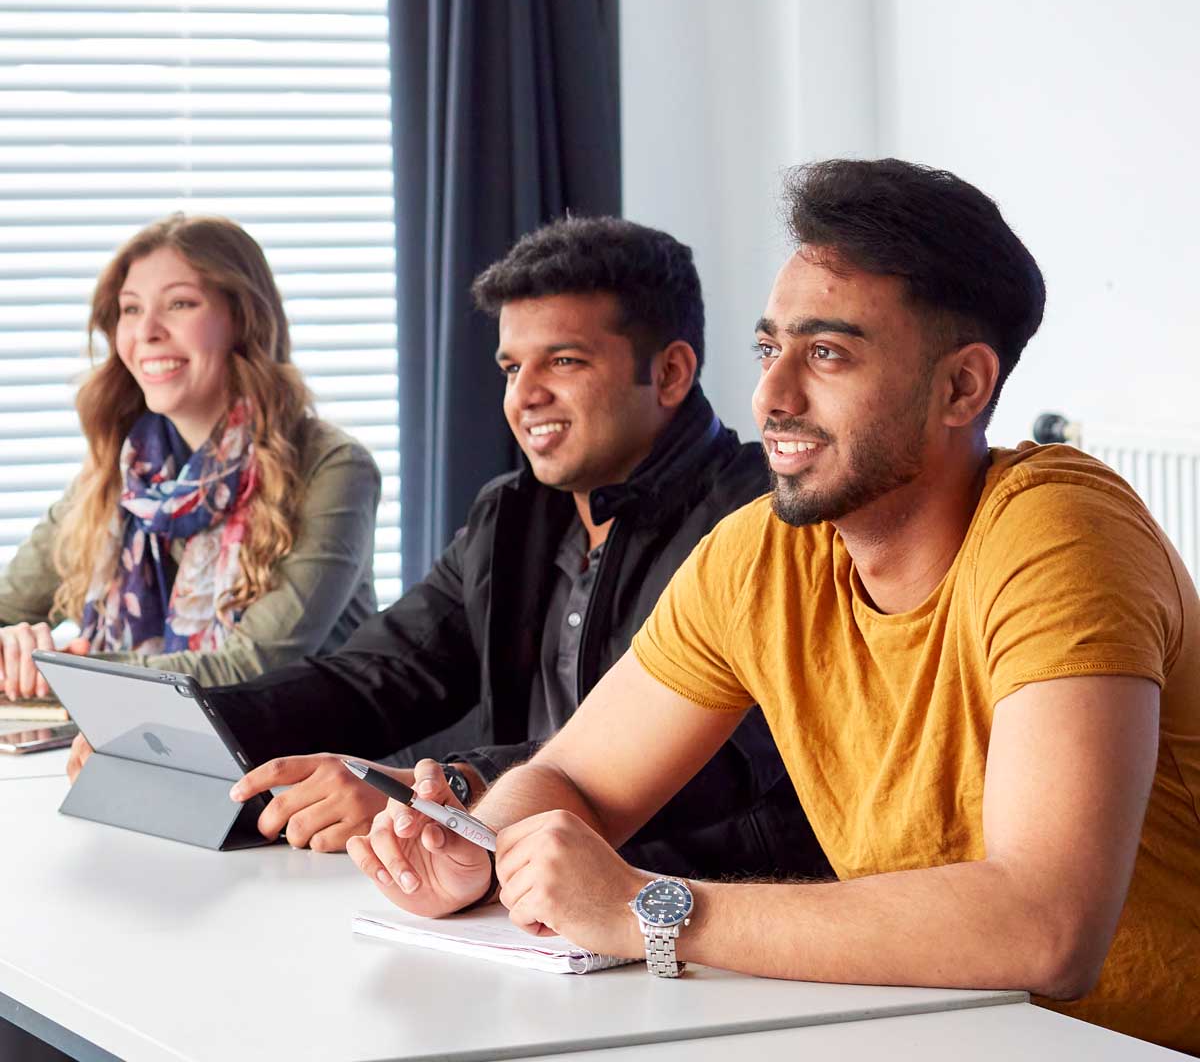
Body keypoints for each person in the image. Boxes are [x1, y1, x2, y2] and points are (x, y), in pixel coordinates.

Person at [346, 161, 1199, 1055]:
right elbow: (576, 784)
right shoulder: (763, 551)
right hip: (934, 1034)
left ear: (962, 387)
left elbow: (1048, 929)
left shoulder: (1060, 534)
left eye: (826, 354)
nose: (772, 396)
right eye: (769, 350)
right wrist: (476, 851)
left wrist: (654, 910)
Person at [202, 216, 828, 881]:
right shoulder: (512, 515)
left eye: (564, 361)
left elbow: (728, 758)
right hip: (521, 901)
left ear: (670, 373)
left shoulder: (772, 519)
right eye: (511, 367)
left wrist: (458, 795)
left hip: (708, 910)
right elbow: (378, 678)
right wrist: (193, 729)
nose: (525, 396)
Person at [0, 213, 380, 699]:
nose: (148, 331)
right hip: (148, 753)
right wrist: (13, 649)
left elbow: (257, 663)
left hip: (308, 760)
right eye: (131, 310)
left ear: (243, 319)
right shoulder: (119, 474)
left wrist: (69, 672)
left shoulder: (333, 467)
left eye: (180, 303)